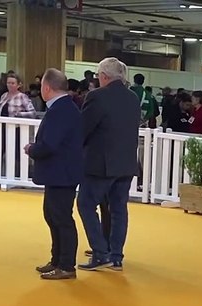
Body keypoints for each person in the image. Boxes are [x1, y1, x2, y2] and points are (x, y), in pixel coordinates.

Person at [76, 57, 141, 272]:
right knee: (118, 209)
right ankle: (116, 256)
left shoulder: (96, 97)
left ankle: (100, 252)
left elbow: (83, 129)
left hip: (100, 164)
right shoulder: (133, 98)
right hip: (126, 163)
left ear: (103, 76)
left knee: (86, 204)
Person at [25, 69, 84, 280]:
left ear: (47, 88)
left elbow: (50, 145)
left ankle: (66, 265)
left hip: (62, 174)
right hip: (60, 173)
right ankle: (57, 260)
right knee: (53, 216)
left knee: (61, 219)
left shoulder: (61, 110)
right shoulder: (64, 107)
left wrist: (32, 149)